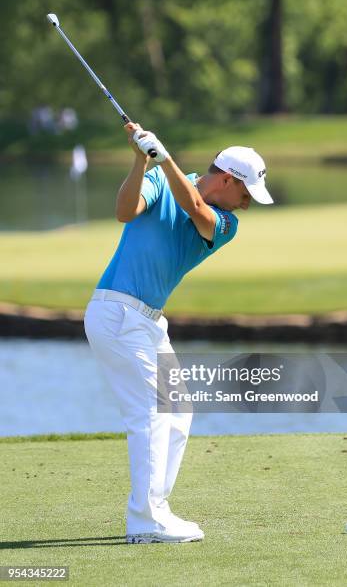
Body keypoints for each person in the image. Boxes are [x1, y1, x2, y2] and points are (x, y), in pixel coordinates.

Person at [84, 123, 273, 544]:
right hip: (117, 312)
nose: (246, 205)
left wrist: (163, 157)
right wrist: (140, 160)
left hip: (148, 323)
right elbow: (124, 211)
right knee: (151, 414)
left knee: (178, 411)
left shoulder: (224, 222)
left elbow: (195, 210)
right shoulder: (157, 178)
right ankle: (145, 519)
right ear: (228, 179)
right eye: (246, 195)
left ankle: (157, 510)